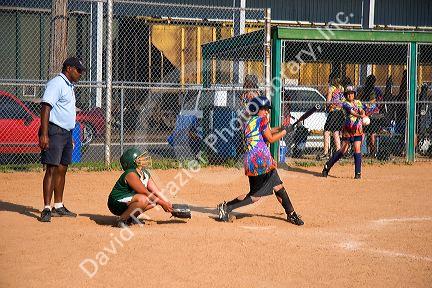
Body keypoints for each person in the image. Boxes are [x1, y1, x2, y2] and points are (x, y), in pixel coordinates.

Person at [217, 96, 304, 225]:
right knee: (255, 197)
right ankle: (227, 207)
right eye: (264, 109)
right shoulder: (262, 120)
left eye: (267, 110)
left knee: (277, 186)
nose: (266, 112)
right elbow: (270, 138)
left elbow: (265, 132)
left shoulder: (249, 121)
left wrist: (282, 127)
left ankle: (291, 213)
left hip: (253, 161)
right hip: (260, 162)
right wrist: (285, 132)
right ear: (256, 109)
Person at [39, 57, 86, 222]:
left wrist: (71, 135)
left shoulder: (69, 86)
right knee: (51, 169)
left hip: (66, 133)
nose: (80, 74)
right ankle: (46, 208)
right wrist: (44, 134)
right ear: (69, 68)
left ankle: (58, 206)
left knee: (62, 169)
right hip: (54, 131)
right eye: (78, 70)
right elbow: (46, 107)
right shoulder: (57, 83)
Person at [108, 148, 173, 227]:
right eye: (139, 158)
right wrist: (163, 204)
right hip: (116, 203)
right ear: (132, 162)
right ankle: (122, 220)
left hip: (128, 200)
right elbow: (146, 192)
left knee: (154, 200)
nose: (143, 159)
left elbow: (157, 191)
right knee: (143, 199)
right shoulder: (130, 174)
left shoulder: (145, 173)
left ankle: (130, 218)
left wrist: (169, 205)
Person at [322, 86, 366, 179]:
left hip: (358, 129)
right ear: (346, 95)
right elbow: (351, 112)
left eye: (352, 93)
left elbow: (361, 109)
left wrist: (362, 113)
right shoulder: (345, 103)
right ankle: (327, 166)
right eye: (348, 93)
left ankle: (358, 173)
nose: (350, 95)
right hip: (348, 130)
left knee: (357, 149)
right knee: (343, 150)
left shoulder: (358, 102)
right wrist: (360, 115)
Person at [317, 76, 345, 160]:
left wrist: (327, 104)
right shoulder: (342, 88)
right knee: (336, 132)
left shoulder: (331, 88)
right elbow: (343, 101)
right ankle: (339, 152)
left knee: (326, 131)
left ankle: (325, 152)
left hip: (333, 112)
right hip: (340, 112)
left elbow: (328, 102)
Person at [358, 75, 383, 157]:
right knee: (372, 133)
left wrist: (363, 105)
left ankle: (359, 152)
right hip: (373, 114)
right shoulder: (376, 90)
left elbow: (358, 99)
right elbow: (379, 101)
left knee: (363, 133)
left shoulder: (363, 89)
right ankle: (373, 153)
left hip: (365, 113)